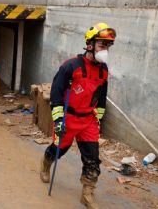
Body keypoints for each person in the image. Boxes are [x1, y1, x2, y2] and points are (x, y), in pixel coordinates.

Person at [39, 23, 116, 209]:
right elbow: (56, 93)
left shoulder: (103, 70)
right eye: (101, 45)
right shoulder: (71, 66)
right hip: (69, 118)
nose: (105, 50)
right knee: (59, 149)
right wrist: (58, 119)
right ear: (90, 44)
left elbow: (102, 96)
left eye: (107, 46)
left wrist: (99, 117)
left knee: (92, 158)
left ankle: (87, 194)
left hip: (88, 121)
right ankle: (46, 163)